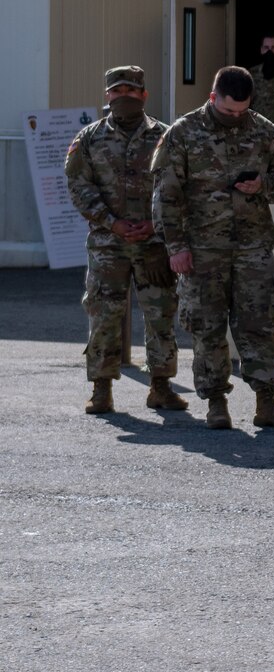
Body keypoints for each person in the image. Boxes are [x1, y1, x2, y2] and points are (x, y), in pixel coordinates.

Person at [151, 64, 274, 431]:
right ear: (212, 97)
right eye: (227, 110)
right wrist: (175, 247)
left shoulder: (264, 130)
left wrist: (263, 185)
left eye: (241, 111)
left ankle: (267, 403)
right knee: (207, 326)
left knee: (259, 324)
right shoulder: (182, 134)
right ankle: (216, 403)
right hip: (202, 250)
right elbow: (164, 195)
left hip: (253, 247)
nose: (235, 118)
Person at [65, 65, 181, 416]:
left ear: (144, 95)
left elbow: (176, 186)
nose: (124, 97)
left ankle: (160, 386)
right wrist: (111, 223)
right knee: (104, 314)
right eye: (117, 91)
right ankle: (101, 390)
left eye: (131, 91)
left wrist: (154, 225)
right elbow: (77, 185)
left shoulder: (165, 137)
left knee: (160, 312)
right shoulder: (89, 138)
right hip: (107, 244)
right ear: (107, 96)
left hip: (153, 244)